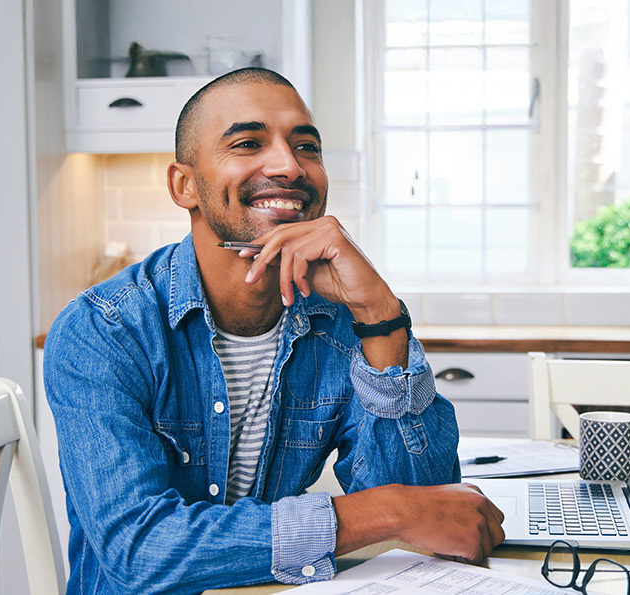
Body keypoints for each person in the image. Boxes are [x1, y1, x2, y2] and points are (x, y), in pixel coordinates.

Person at [45, 68, 505, 595]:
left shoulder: (345, 322)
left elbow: (430, 519)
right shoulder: (103, 331)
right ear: (184, 185)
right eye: (247, 142)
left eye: (306, 146)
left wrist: (380, 311)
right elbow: (140, 550)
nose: (289, 165)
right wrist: (388, 511)